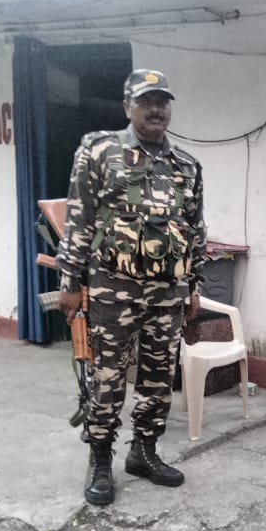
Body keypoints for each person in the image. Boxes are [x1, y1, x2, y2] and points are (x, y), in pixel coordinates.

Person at [55, 69, 206, 507]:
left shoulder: (186, 165)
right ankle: (100, 458)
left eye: (162, 102)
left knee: (159, 378)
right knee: (108, 378)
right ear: (127, 106)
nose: (155, 109)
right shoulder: (99, 150)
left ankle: (143, 451)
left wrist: (193, 287)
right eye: (145, 101)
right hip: (113, 288)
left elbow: (195, 230)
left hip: (167, 292)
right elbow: (79, 217)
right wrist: (70, 281)